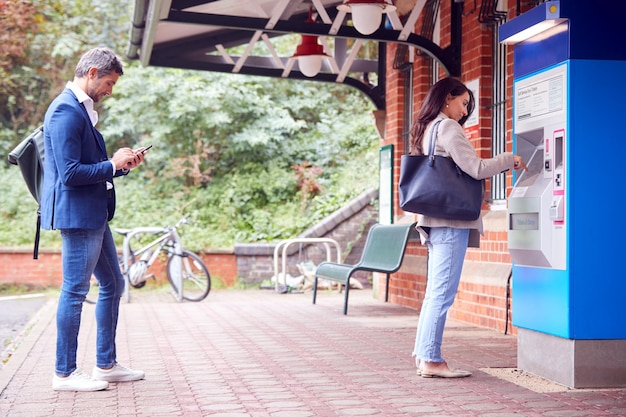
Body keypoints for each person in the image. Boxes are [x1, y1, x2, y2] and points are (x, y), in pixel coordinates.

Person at [41, 47, 148, 391]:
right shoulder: (65, 111)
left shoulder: (82, 111)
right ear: (91, 72)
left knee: (114, 284)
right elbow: (70, 174)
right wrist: (113, 163)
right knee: (74, 291)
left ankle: (105, 363)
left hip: (95, 215)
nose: (109, 90)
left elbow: (91, 170)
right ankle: (65, 373)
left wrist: (121, 166)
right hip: (79, 217)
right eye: (108, 82)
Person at [409, 77, 527, 378]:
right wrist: (508, 159)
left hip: (436, 221)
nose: (465, 111)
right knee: (442, 294)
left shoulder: (428, 129)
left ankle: (425, 357)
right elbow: (475, 168)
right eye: (463, 103)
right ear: (447, 98)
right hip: (451, 222)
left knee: (434, 293)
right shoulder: (447, 127)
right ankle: (431, 359)